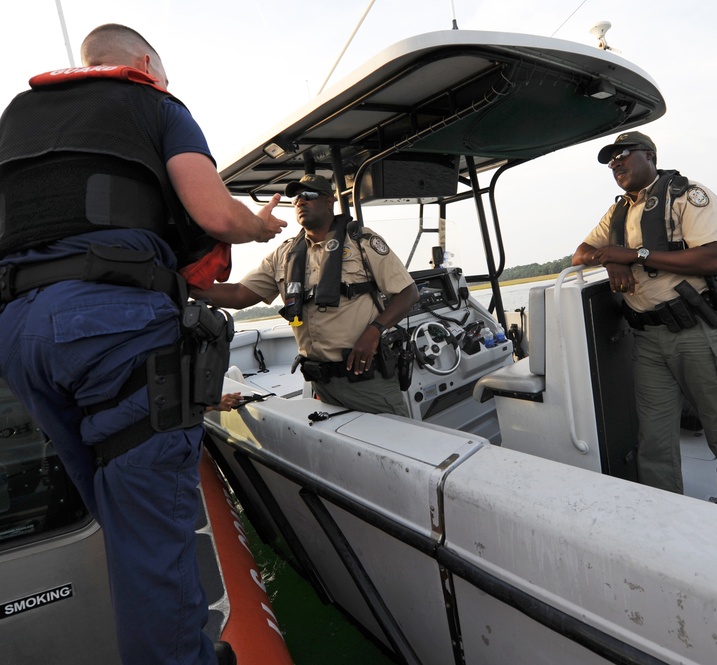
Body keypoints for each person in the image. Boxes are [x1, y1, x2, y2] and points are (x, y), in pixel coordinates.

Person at [0, 24, 286, 665]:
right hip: (111, 334)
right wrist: (259, 223)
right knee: (151, 538)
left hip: (20, 337)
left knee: (121, 519)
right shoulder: (155, 103)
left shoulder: (17, 115)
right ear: (146, 63)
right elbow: (214, 215)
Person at [572, 131, 717, 512]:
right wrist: (611, 260)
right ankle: (667, 522)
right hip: (648, 340)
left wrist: (633, 254)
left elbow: (713, 259)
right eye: (610, 160)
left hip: (698, 336)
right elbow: (580, 253)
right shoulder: (619, 211)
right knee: (654, 442)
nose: (616, 164)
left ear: (650, 155)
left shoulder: (687, 195)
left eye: (623, 154)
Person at [194, 174, 419, 416]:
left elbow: (408, 293)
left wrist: (374, 331)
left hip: (366, 381)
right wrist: (186, 286)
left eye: (309, 195)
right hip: (320, 384)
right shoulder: (284, 255)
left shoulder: (361, 242)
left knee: (393, 446)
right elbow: (239, 294)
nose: (301, 201)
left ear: (329, 201)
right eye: (297, 198)